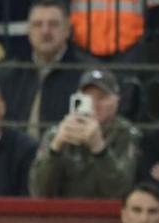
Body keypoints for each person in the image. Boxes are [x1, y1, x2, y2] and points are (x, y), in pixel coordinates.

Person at [29, 67, 140, 200]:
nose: (94, 104)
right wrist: (55, 149)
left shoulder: (126, 134)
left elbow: (120, 191)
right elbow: (38, 191)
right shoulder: (56, 133)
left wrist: (99, 149)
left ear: (116, 101)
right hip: (64, 215)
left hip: (109, 216)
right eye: (87, 98)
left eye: (102, 98)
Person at [0, 0, 91, 142]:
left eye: (53, 24)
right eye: (38, 25)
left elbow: (83, 126)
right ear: (28, 31)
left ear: (67, 30)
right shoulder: (10, 73)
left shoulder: (84, 74)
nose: (45, 31)